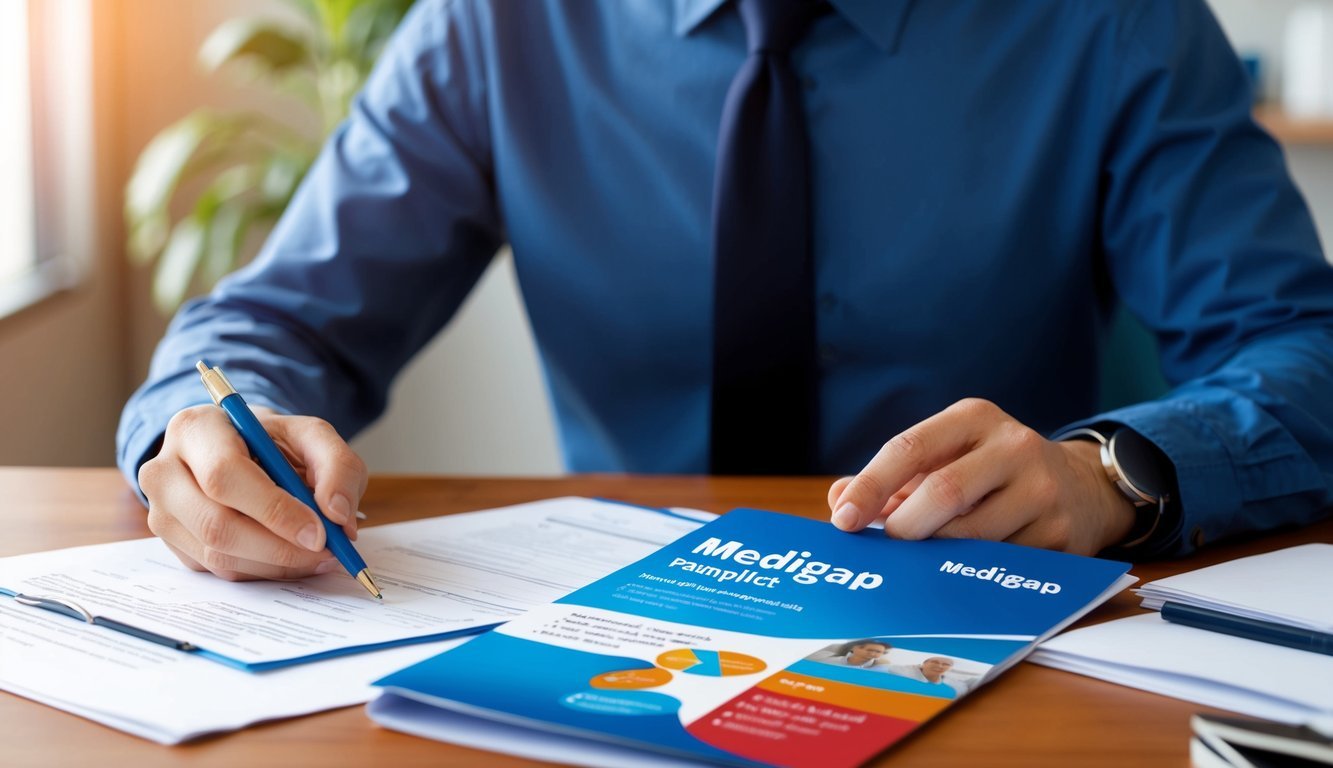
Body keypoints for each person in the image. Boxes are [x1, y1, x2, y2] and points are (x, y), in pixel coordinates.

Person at [119, 0, 1333, 583]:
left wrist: (1106, 475)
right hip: (617, 629)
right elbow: (265, 325)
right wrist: (203, 431)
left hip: (999, 626)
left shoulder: (1111, 23)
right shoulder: (493, 27)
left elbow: (1304, 347)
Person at [885, 656, 972, 696]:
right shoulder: (899, 671)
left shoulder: (957, 685)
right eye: (935, 662)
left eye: (945, 664)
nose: (939, 666)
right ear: (923, 664)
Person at [807, 640, 892, 670]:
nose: (873, 654)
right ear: (854, 648)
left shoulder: (881, 668)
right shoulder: (829, 660)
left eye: (878, 652)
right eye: (869, 650)